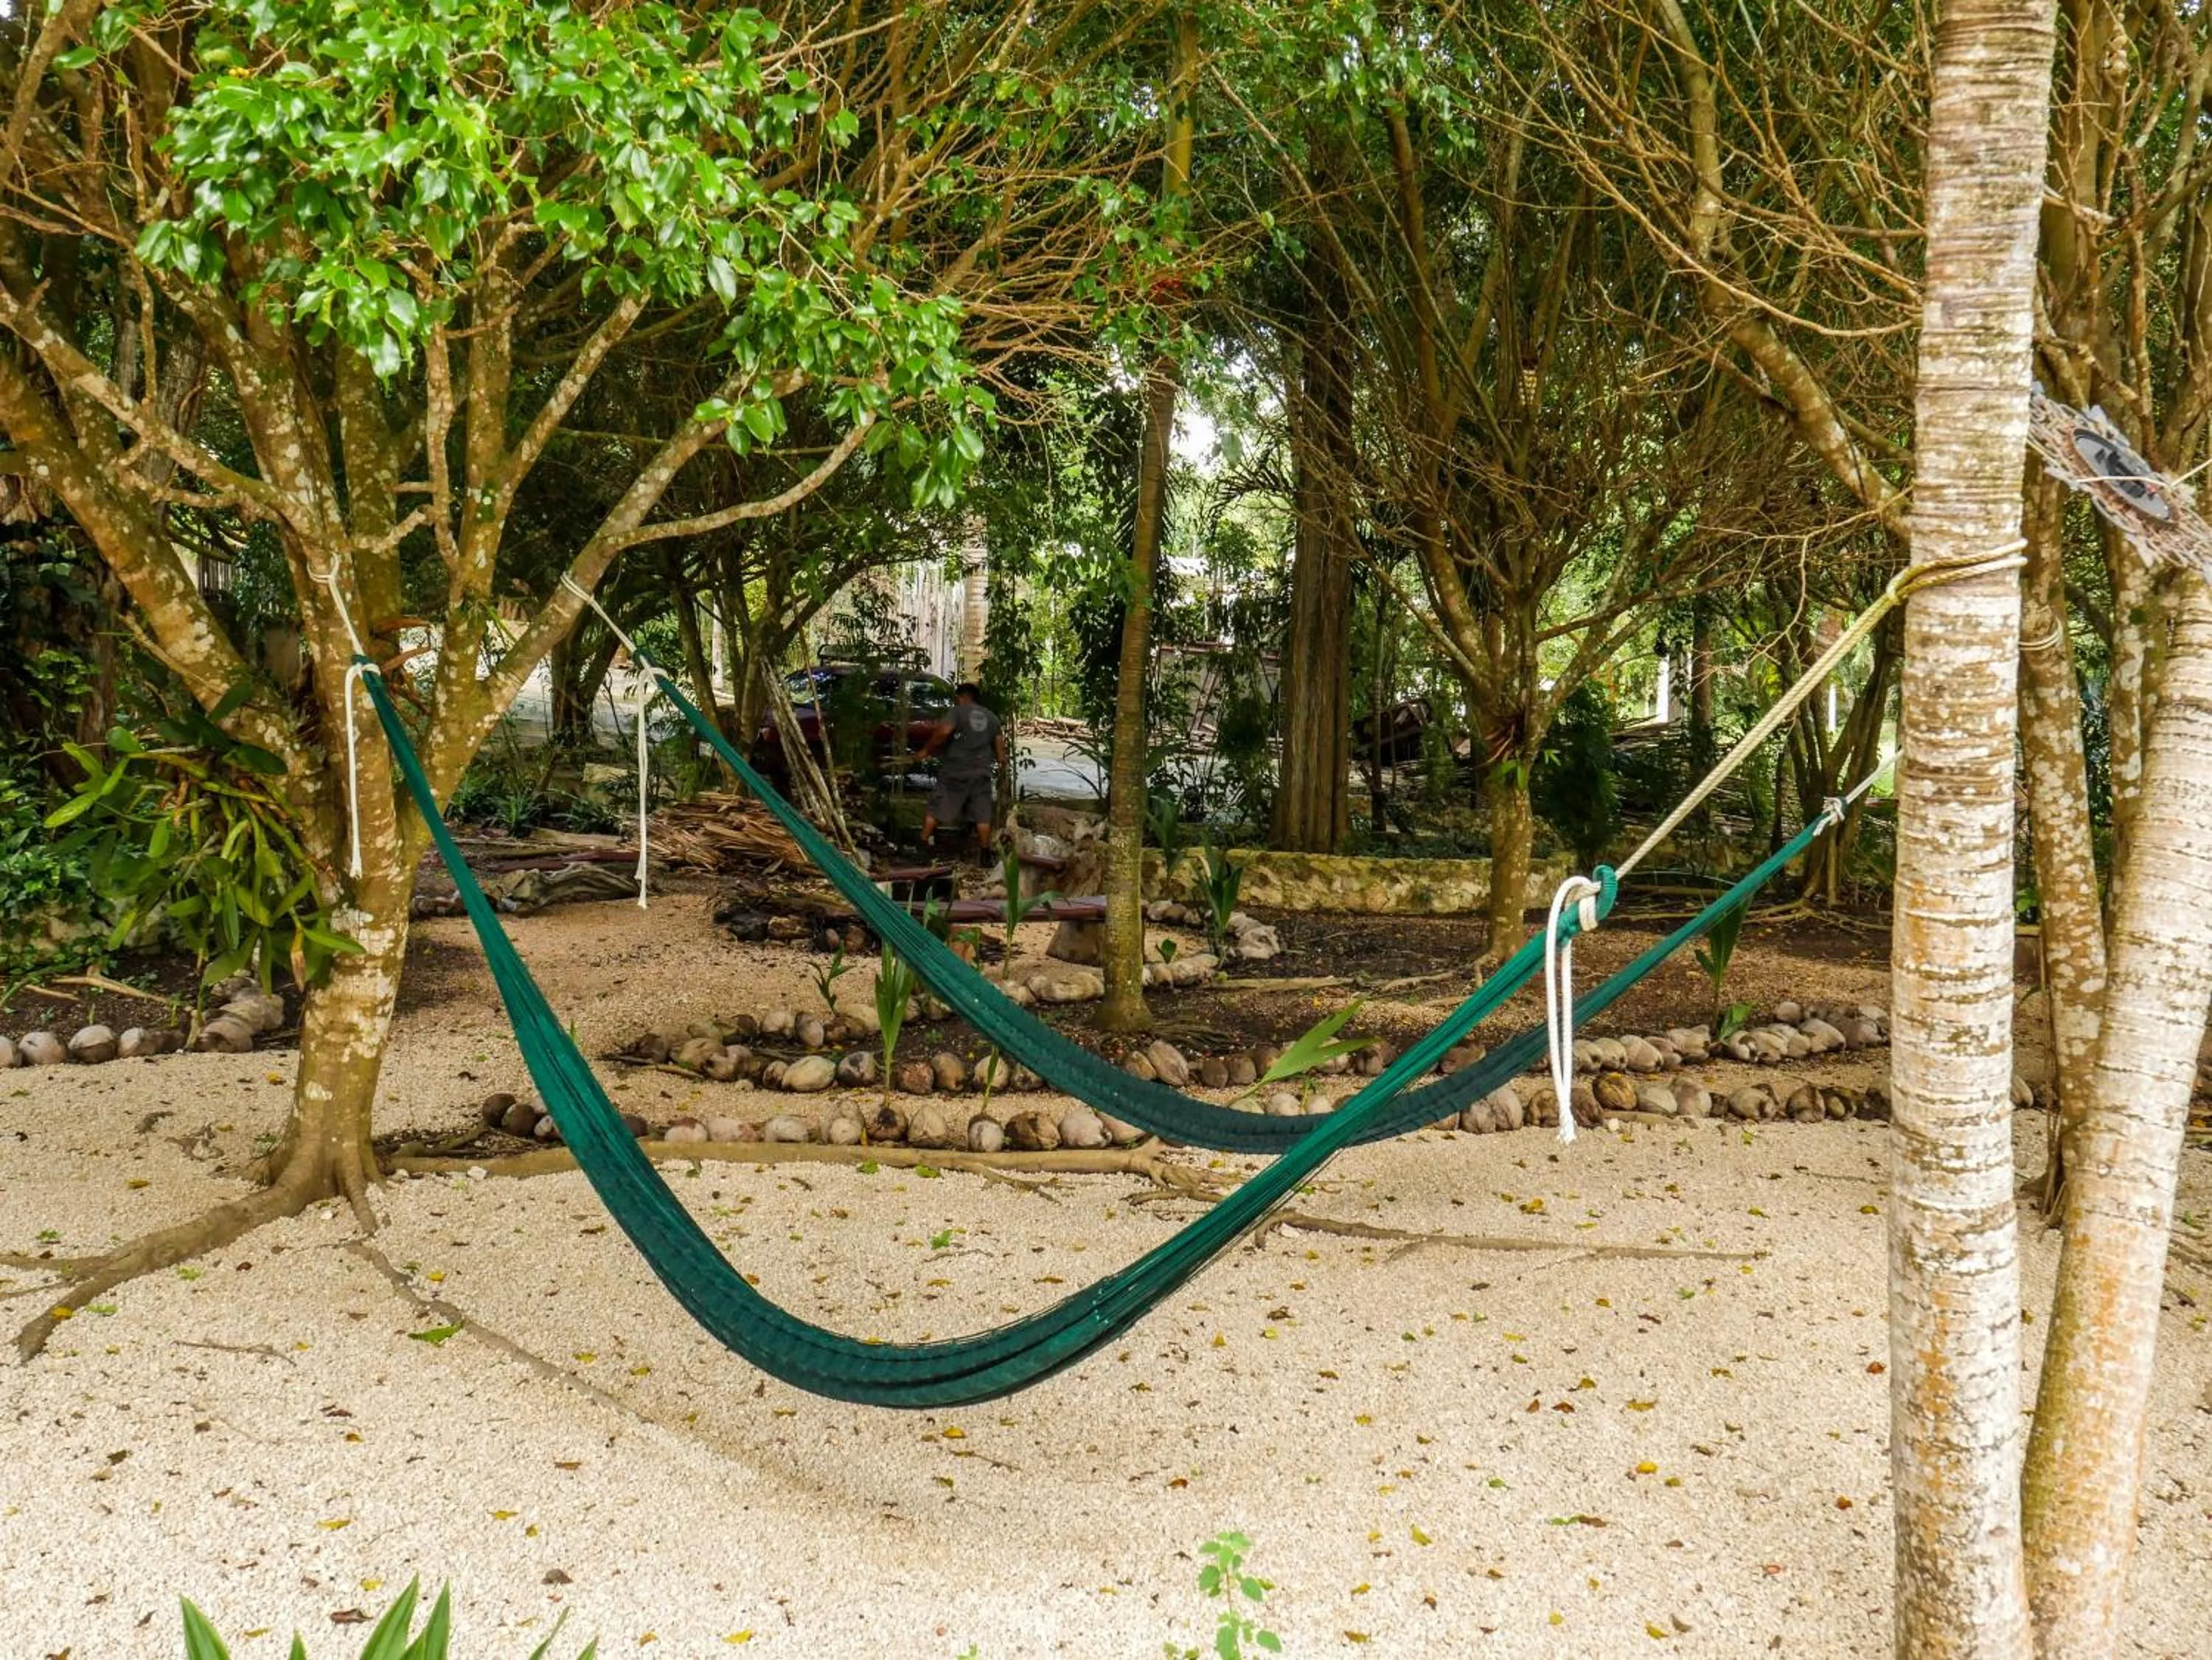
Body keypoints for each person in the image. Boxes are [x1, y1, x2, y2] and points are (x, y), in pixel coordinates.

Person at [916, 682, 1006, 861]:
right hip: (981, 772)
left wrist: (926, 750)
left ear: (963, 696)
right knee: (982, 813)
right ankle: (985, 855)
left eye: (957, 698)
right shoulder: (992, 718)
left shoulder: (958, 712)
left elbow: (943, 732)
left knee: (937, 806)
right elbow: (1001, 753)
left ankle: (923, 845)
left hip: (956, 770)